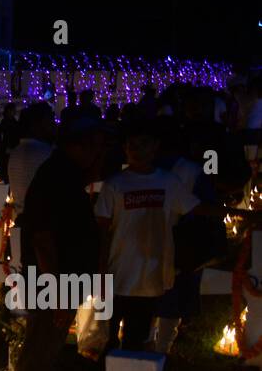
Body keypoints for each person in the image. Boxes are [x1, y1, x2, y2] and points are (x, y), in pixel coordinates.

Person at [95, 118, 250, 354]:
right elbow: (102, 229)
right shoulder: (115, 185)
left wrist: (239, 214)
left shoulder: (168, 182)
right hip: (119, 272)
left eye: (144, 144)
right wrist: (100, 267)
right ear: (125, 148)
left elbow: (198, 207)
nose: (138, 150)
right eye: (132, 145)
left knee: (135, 337)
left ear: (156, 146)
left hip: (150, 276)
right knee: (109, 336)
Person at [10, 116, 106, 371]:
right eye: (93, 150)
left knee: (46, 345)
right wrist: (58, 295)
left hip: (60, 280)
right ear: (76, 147)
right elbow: (44, 240)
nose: (97, 157)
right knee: (40, 346)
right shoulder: (56, 179)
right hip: (53, 281)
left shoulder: (65, 174)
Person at [7, 102, 55, 211]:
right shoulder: (46, 153)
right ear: (39, 124)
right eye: (50, 121)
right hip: (43, 219)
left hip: (22, 219)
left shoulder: (15, 152)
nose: (54, 125)